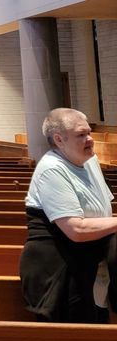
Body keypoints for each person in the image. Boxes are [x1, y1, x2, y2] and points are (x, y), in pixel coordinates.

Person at [20, 108, 117, 323]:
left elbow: (103, 212)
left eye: (89, 132)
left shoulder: (89, 160)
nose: (90, 139)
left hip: (90, 268)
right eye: (81, 135)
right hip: (61, 273)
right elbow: (76, 230)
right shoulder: (52, 170)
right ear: (59, 139)